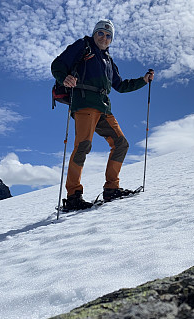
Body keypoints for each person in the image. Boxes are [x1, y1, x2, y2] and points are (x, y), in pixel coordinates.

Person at [51, 19, 154, 210]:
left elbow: (120, 86)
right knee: (83, 146)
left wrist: (143, 80)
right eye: (101, 33)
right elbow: (57, 64)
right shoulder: (83, 46)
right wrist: (64, 77)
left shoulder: (108, 60)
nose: (104, 38)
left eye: (108, 36)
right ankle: (73, 196)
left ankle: (111, 189)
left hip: (104, 107)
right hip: (84, 103)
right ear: (94, 33)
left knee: (121, 144)